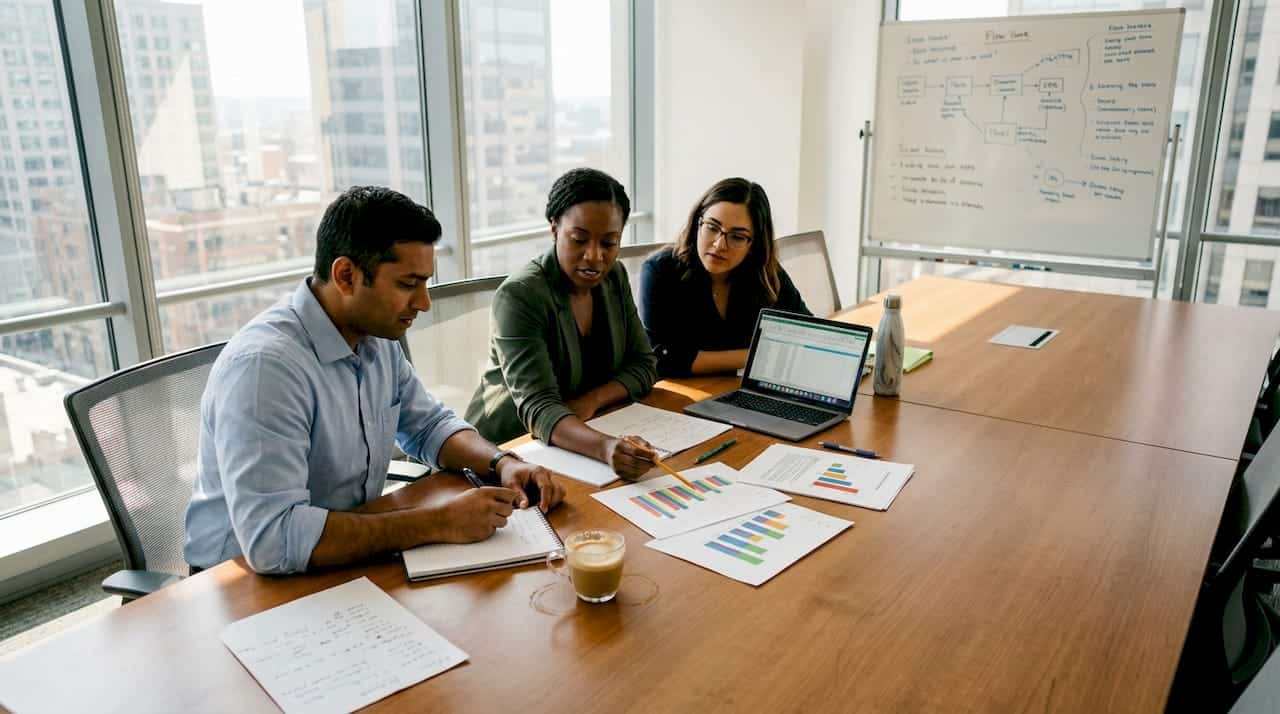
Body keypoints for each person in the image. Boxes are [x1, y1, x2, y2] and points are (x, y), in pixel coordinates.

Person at [184, 186, 566, 575]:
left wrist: (501, 463)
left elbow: (430, 426)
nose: (423, 302)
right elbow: (274, 540)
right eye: (407, 284)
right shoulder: (266, 370)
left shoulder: (373, 338)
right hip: (240, 582)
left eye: (425, 282)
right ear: (346, 276)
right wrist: (437, 522)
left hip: (339, 549)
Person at [465, 168, 659, 479]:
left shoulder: (614, 278)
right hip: (506, 452)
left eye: (609, 243)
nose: (594, 256)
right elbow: (539, 407)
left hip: (581, 439)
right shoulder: (520, 296)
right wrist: (607, 447)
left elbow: (644, 365)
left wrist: (592, 400)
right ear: (554, 228)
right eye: (579, 239)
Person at [639, 178, 811, 377]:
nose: (719, 245)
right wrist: (756, 355)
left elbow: (806, 332)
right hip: (677, 395)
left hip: (735, 390)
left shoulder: (764, 272)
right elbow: (664, 359)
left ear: (753, 245)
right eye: (712, 227)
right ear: (697, 224)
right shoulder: (660, 271)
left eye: (737, 237)